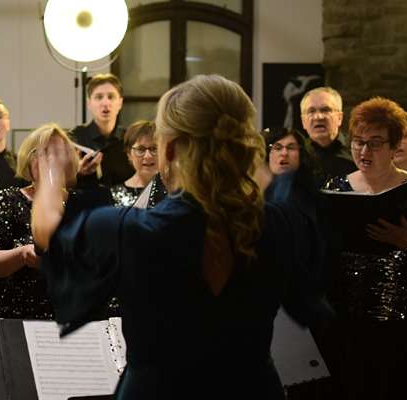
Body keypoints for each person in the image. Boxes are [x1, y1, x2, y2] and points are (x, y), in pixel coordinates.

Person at [31, 75, 330, 399]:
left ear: (170, 148)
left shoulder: (136, 231)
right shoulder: (282, 221)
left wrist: (51, 174)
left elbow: (48, 231)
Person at [322, 97, 407, 399]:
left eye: (375, 143)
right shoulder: (336, 187)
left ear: (394, 146)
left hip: (404, 320)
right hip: (346, 317)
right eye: (358, 142)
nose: (363, 151)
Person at [0, 124, 76, 320]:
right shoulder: (8, 199)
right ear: (29, 159)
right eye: (45, 153)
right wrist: (22, 254)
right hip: (21, 313)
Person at [71, 73, 135, 187]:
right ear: (89, 103)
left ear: (120, 102)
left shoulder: (131, 138)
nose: (105, 103)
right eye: (99, 97)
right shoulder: (75, 138)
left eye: (111, 97)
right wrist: (78, 173)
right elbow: (60, 182)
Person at [300, 87, 355, 182]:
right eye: (311, 111)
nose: (318, 117)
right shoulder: (296, 155)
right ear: (303, 121)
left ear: (339, 118)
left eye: (325, 110)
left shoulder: (358, 151)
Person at [110, 120, 158, 207]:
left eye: (154, 148)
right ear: (129, 154)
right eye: (140, 149)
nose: (148, 156)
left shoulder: (176, 191)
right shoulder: (112, 195)